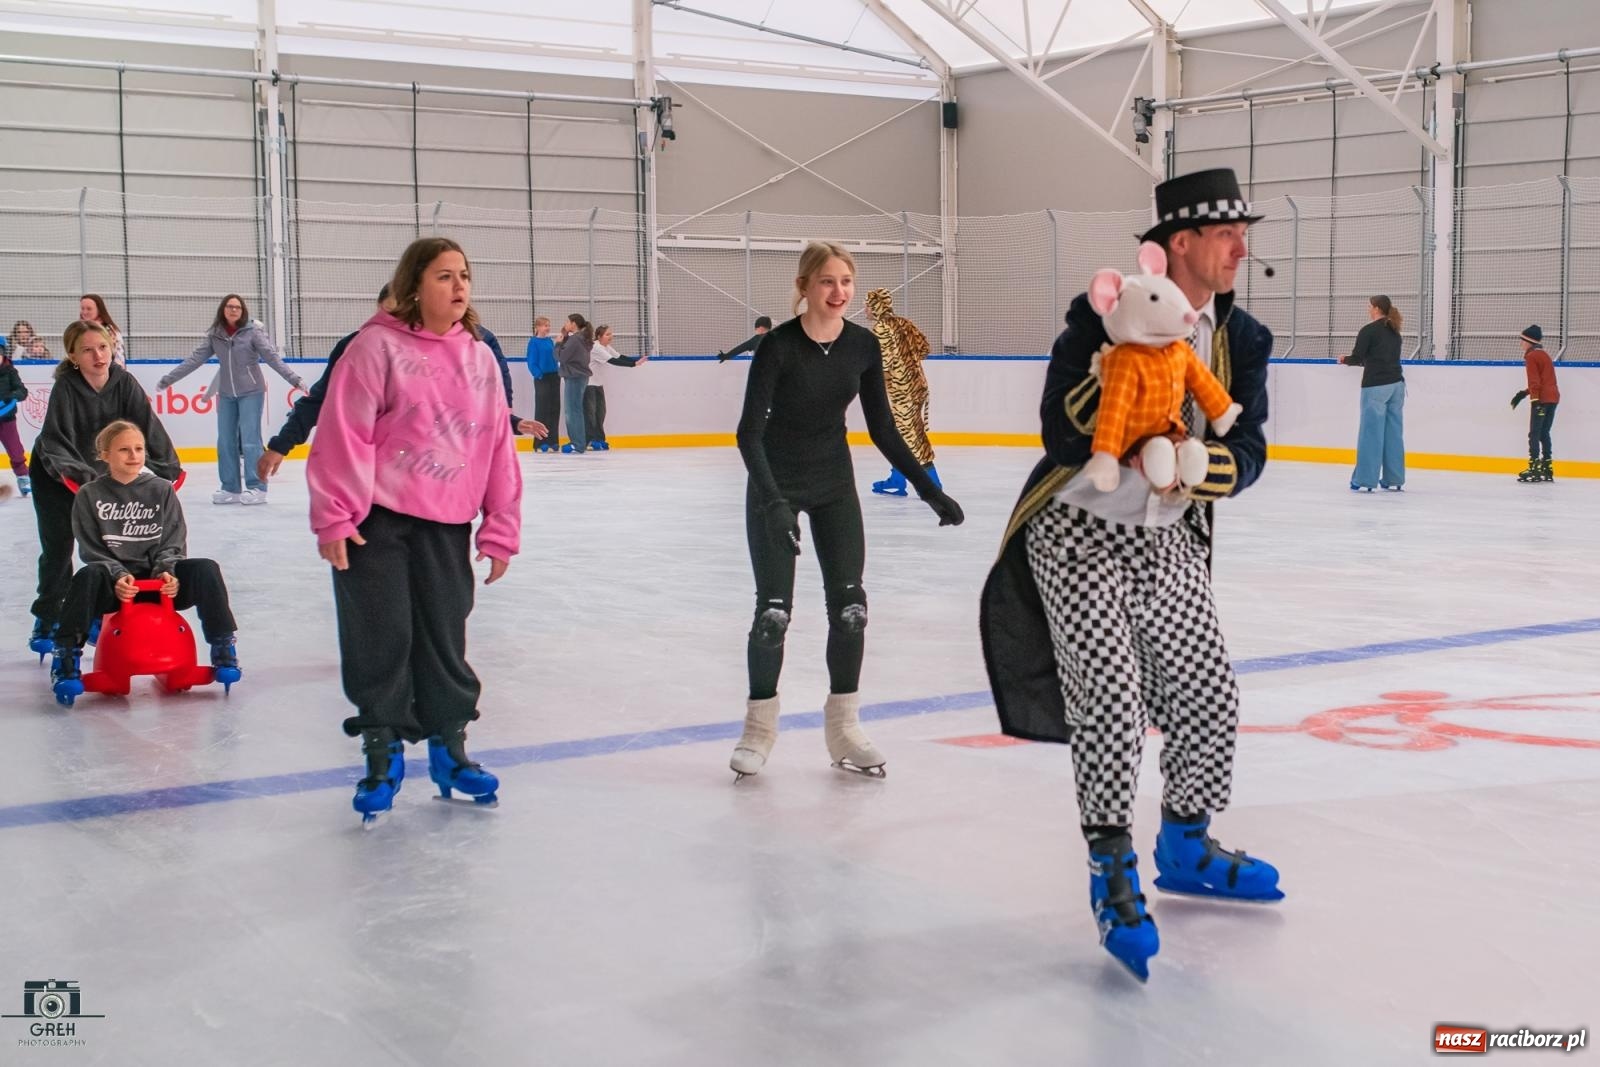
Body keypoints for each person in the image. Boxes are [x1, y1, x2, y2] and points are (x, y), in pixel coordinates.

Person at [978, 168, 1281, 982]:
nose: (1240, 250)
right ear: (1180, 242)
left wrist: (1195, 463)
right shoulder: (1099, 309)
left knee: (1209, 691)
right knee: (1108, 701)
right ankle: (1111, 866)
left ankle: (1185, 842)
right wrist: (1119, 377)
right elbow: (1056, 425)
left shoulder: (1241, 338)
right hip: (1076, 531)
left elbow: (1248, 450)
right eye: (1226, 235)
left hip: (1167, 537)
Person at [730, 241, 964, 781]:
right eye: (827, 282)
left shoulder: (862, 346)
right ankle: (758, 730)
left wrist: (929, 489)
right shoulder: (779, 348)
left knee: (851, 609)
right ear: (805, 288)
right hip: (777, 486)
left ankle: (844, 728)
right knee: (773, 614)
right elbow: (748, 433)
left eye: (846, 282)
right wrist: (772, 503)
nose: (839, 292)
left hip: (834, 484)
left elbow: (882, 427)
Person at [307, 236, 522, 823]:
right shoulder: (374, 347)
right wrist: (334, 515)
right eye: (444, 276)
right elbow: (341, 434)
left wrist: (500, 525)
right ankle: (382, 753)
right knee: (381, 637)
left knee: (444, 640)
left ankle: (451, 752)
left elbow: (496, 445)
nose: (459, 288)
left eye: (464, 276)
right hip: (374, 520)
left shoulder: (479, 356)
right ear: (415, 285)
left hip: (446, 522)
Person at [256, 288, 541, 484]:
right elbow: (319, 400)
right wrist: (281, 444)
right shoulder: (355, 348)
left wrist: (510, 422)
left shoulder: (436, 353)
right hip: (370, 477)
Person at [48, 420, 239, 703]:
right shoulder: (90, 494)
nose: (134, 455)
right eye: (124, 449)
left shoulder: (161, 489)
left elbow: (173, 540)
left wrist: (168, 572)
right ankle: (65, 657)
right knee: (87, 576)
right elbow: (91, 549)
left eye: (138, 448)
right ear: (105, 455)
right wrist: (117, 576)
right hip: (115, 586)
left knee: (206, 568)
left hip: (161, 585)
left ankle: (223, 647)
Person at [27, 321, 181, 656]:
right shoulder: (67, 387)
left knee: (106, 547)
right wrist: (77, 475)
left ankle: (95, 612)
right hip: (56, 475)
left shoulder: (123, 382)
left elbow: (146, 424)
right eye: (87, 350)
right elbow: (56, 440)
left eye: (103, 347)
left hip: (98, 480)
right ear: (73, 356)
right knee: (59, 547)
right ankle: (48, 616)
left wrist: (168, 466)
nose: (98, 356)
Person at [157, 295, 306, 505]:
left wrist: (294, 379)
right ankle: (230, 488)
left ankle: (257, 487)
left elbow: (272, 357)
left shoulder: (252, 332)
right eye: (229, 306)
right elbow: (195, 360)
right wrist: (169, 379)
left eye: (237, 307)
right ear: (223, 310)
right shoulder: (215, 335)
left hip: (251, 391)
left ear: (242, 310)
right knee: (225, 441)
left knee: (250, 440)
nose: (233, 310)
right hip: (227, 393)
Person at [863, 288, 941, 496]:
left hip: (902, 390)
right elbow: (924, 348)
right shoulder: (904, 323)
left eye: (867, 305)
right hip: (917, 385)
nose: (865, 310)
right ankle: (897, 478)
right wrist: (909, 362)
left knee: (911, 436)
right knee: (900, 434)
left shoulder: (881, 329)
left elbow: (883, 363)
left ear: (876, 306)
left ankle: (933, 484)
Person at [1341, 295, 1405, 492]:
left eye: (1370, 306)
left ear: (1376, 308)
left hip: (1376, 386)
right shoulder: (1395, 332)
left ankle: (1365, 479)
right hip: (1397, 386)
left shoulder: (1369, 331)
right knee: (1393, 433)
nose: (1369, 309)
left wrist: (1344, 359)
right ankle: (1394, 478)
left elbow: (1358, 357)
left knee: (1371, 433)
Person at [583, 324, 646, 450]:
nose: (610, 337)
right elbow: (612, 361)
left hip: (598, 384)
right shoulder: (596, 347)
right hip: (588, 384)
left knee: (600, 413)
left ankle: (599, 439)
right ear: (599, 337)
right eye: (607, 334)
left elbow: (619, 356)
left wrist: (636, 361)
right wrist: (633, 365)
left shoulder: (606, 346)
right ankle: (589, 440)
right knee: (590, 414)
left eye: (611, 334)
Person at [1511, 325, 1560, 483]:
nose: (1520, 343)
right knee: (1544, 433)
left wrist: (1535, 401)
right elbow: (1545, 381)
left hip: (1542, 400)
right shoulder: (1544, 355)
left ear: (1529, 341)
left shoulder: (1531, 356)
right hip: (1553, 398)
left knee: (1534, 433)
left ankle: (1534, 467)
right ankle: (1547, 466)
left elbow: (1535, 381)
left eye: (1522, 340)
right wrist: (1525, 393)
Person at [557, 313, 594, 454]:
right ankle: (578, 442)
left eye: (568, 321)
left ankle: (577, 443)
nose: (565, 324)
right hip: (579, 376)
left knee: (572, 411)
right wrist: (565, 337)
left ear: (573, 324)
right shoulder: (582, 339)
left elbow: (561, 357)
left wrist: (558, 344)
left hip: (574, 377)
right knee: (575, 410)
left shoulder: (576, 339)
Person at [526, 316, 562, 454]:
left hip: (554, 376)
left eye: (548, 325)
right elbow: (531, 361)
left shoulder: (549, 341)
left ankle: (553, 441)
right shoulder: (533, 342)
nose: (548, 327)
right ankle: (540, 442)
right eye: (545, 325)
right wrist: (538, 374)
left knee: (554, 409)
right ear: (537, 327)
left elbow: (554, 357)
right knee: (542, 409)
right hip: (542, 378)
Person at [0, 335, 29, 495]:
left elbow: (22, 391)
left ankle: (23, 477)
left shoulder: (10, 371)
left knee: (15, 450)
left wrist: (13, 396)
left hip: (7, 419)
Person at [78, 295, 125, 364]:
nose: (85, 312)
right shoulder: (78, 329)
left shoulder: (109, 331)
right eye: (82, 308)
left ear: (99, 310)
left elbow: (118, 358)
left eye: (89, 309)